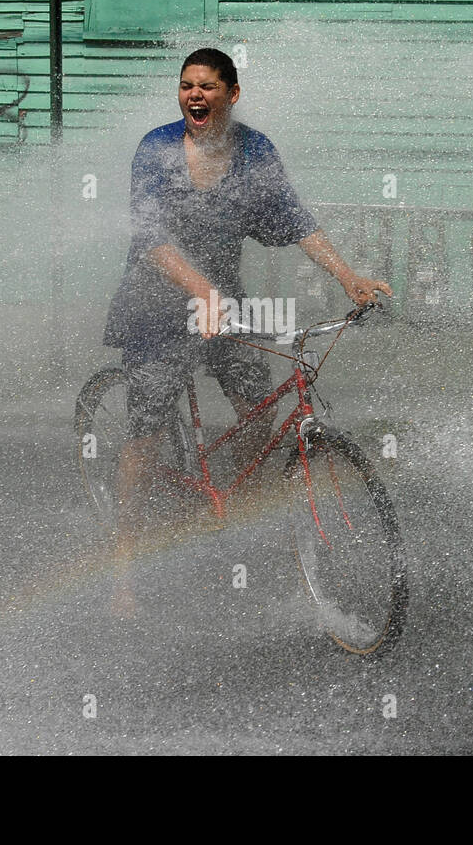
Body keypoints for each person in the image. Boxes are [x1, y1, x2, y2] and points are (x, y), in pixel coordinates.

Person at [102, 47, 392, 616]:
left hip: (223, 306)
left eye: (207, 86)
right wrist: (202, 291)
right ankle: (122, 573)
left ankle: (255, 529)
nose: (194, 96)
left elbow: (295, 220)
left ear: (232, 94)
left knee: (259, 410)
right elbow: (151, 238)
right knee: (147, 433)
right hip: (156, 306)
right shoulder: (156, 150)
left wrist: (347, 275)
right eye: (186, 85)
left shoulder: (254, 151)